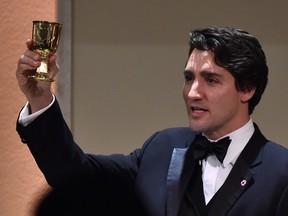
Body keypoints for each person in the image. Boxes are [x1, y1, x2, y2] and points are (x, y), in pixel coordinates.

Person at [16, 27, 288, 216]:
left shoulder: (282, 172)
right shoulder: (163, 147)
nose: (193, 92)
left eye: (211, 80)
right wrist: (40, 98)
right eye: (189, 78)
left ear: (247, 89)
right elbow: (73, 175)